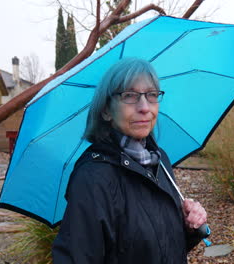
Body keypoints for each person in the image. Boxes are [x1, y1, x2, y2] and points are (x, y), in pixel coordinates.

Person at [52, 57, 208, 263]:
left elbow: (159, 248)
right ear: (106, 110)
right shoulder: (93, 178)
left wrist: (189, 228)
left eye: (151, 95)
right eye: (130, 96)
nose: (144, 107)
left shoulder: (159, 160)